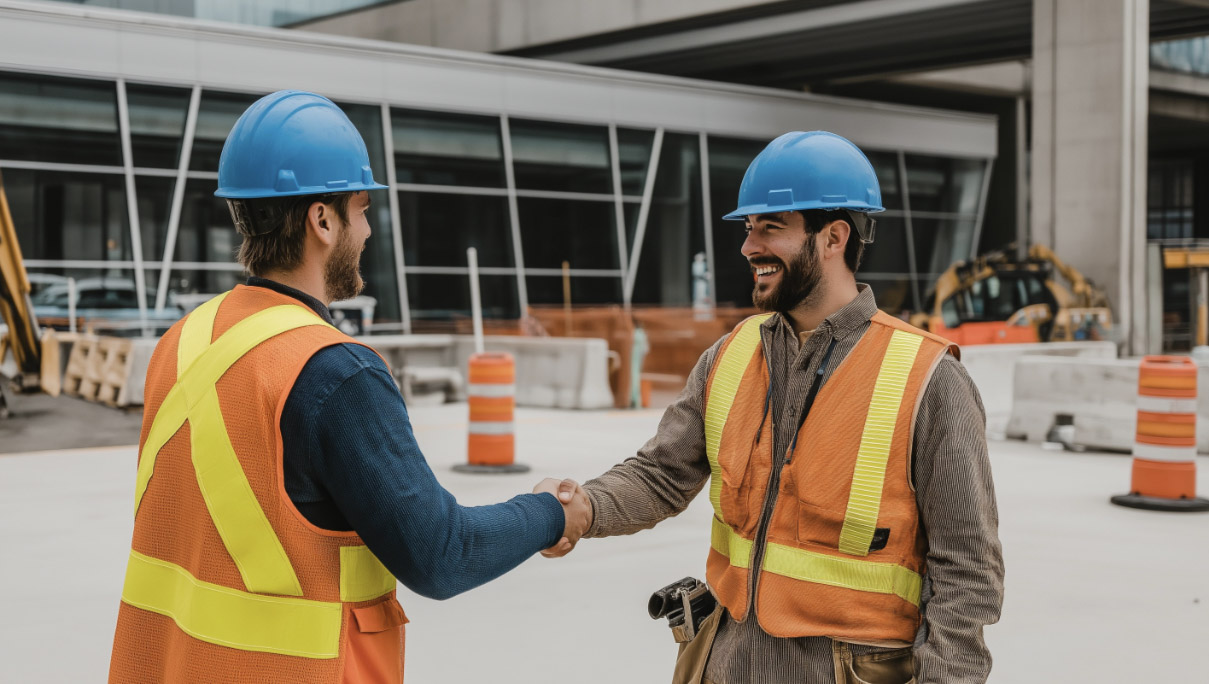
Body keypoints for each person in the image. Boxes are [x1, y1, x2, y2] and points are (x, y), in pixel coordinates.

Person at [108, 90, 590, 683]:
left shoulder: (180, 342)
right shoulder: (335, 372)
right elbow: (442, 554)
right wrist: (548, 512)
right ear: (323, 220)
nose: (367, 231)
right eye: (361, 210)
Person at [548, 131, 1004, 684]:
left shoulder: (930, 379)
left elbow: (968, 574)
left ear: (833, 237)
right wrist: (582, 507)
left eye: (771, 227)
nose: (748, 247)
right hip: (726, 661)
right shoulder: (731, 354)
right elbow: (661, 475)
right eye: (748, 228)